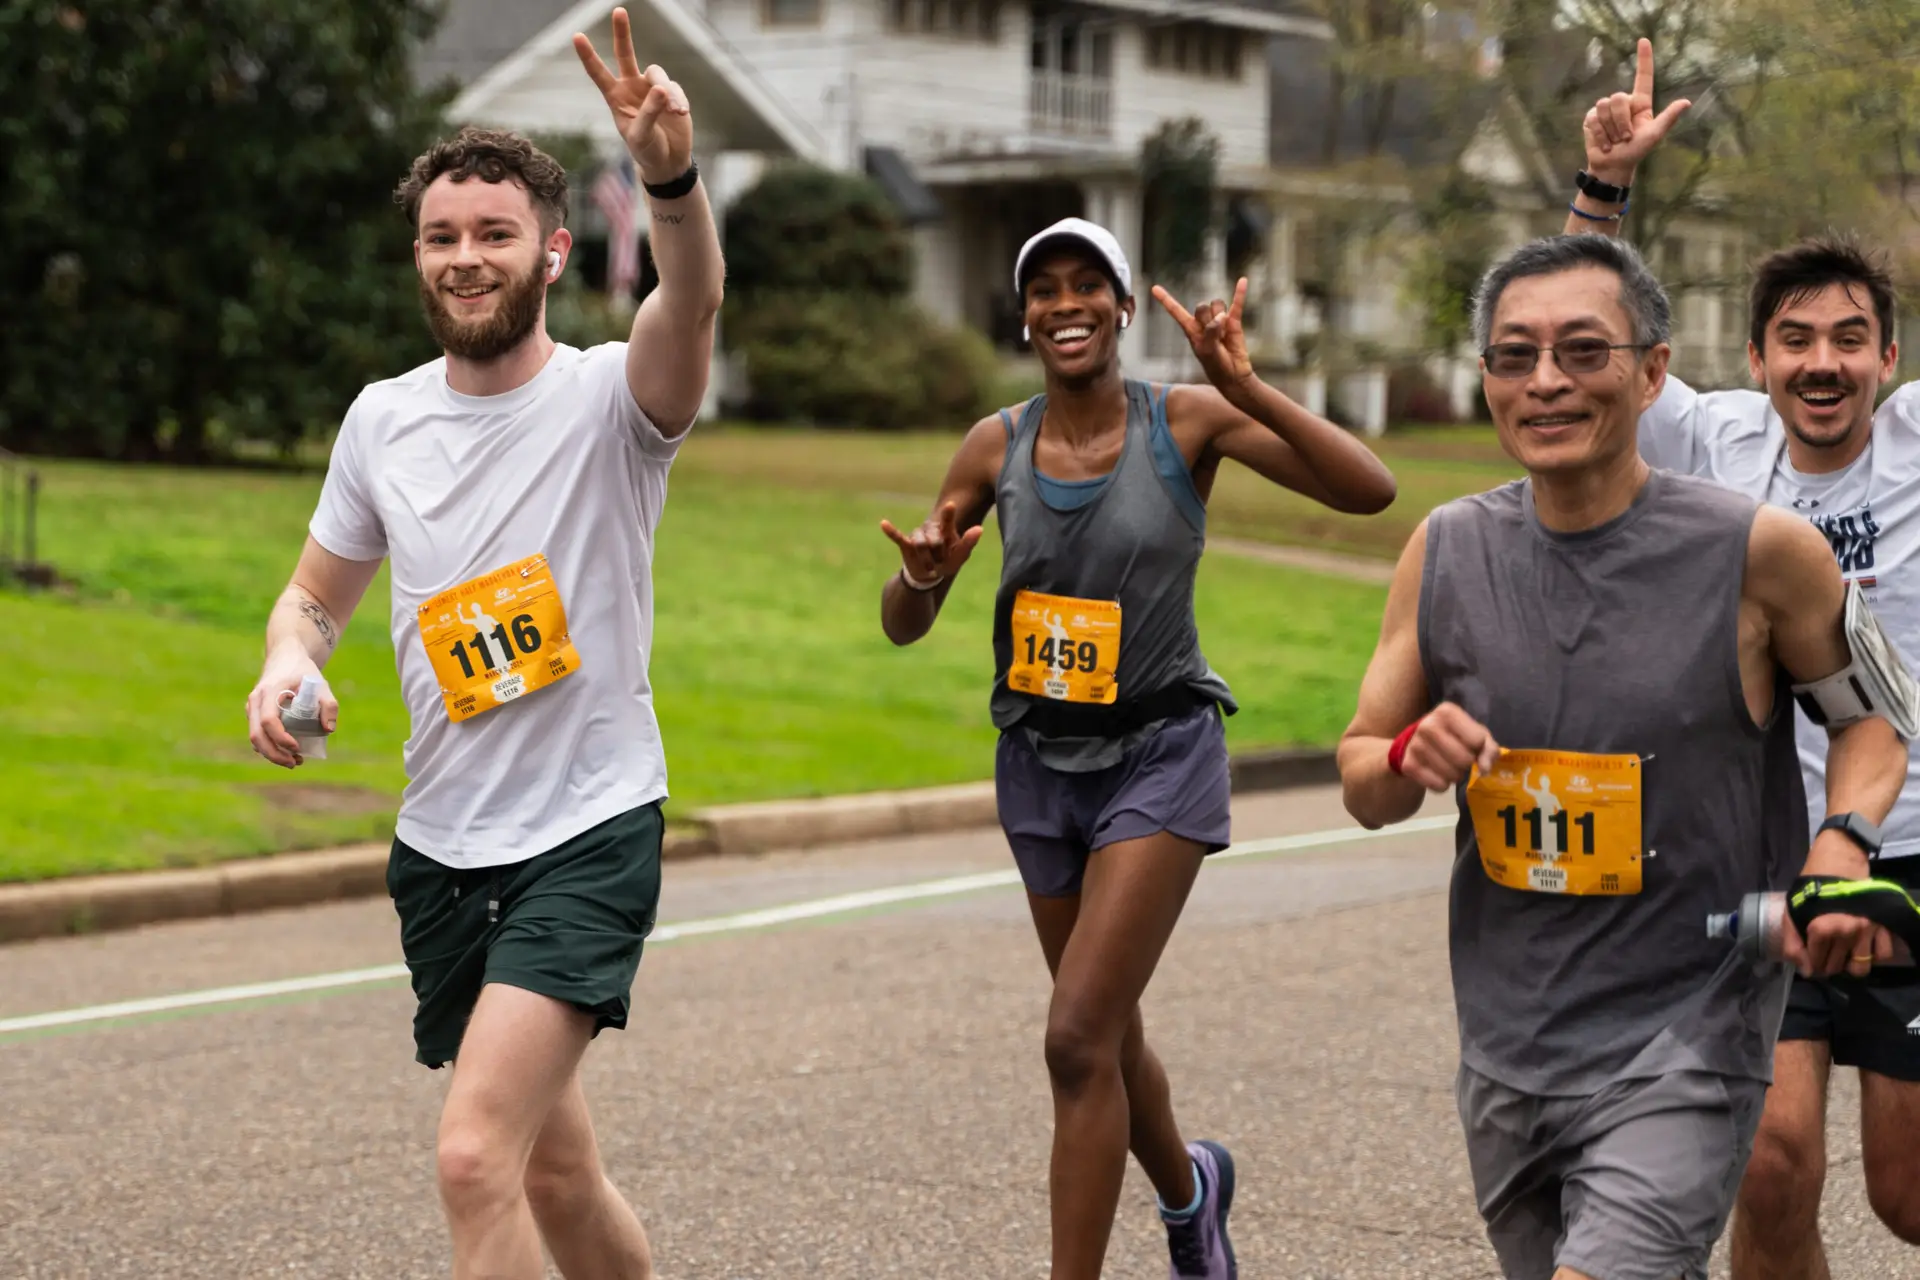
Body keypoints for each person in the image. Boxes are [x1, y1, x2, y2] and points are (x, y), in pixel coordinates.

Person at [242, 11, 721, 1278]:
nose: (466, 258)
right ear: (418, 254)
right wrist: (289, 659)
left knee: (472, 1157)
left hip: (589, 826)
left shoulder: (619, 400)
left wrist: (668, 174)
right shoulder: (382, 420)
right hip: (443, 843)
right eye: (443, 238)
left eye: (494, 234)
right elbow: (314, 595)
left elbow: (695, 291)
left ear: (554, 252)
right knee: (557, 1170)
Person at [1337, 231, 1910, 1280]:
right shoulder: (1447, 550)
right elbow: (1363, 776)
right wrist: (1410, 751)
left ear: (1653, 373)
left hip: (1693, 1025)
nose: (1546, 380)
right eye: (1516, 355)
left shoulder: (1760, 550)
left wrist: (1840, 838)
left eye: (1583, 351)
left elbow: (1873, 720)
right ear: (1487, 380)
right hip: (1511, 1041)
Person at [877, 216, 1398, 1279]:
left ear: (1121, 308)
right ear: (1023, 313)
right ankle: (1190, 1191)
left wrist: (1248, 386)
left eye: (1086, 287)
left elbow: (1368, 488)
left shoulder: (1190, 421)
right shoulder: (995, 442)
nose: (1063, 305)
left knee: (1074, 1035)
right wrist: (925, 574)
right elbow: (901, 618)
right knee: (1107, 1033)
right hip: (1037, 758)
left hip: (1160, 750)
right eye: (1043, 290)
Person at [1566, 40, 1920, 1277]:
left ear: (1888, 356)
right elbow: (1590, 336)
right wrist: (1603, 188)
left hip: (1911, 851)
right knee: (1766, 1167)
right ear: (1758, 356)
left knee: (1908, 1189)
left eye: (1850, 339)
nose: (1822, 361)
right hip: (1766, 850)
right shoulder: (1713, 439)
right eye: (1794, 339)